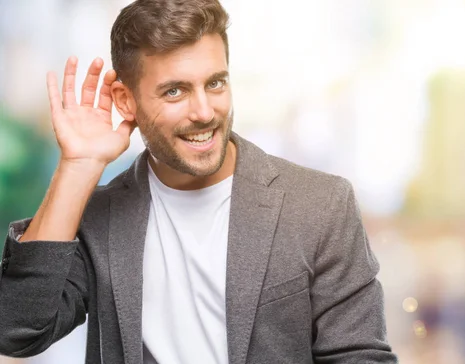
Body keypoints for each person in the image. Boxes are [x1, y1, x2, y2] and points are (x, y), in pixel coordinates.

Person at [0, 0, 397, 363]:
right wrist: (78, 164)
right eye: (175, 91)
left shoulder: (320, 205)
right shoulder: (98, 218)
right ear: (126, 101)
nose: (205, 111)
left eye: (215, 83)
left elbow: (359, 356)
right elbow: (19, 329)